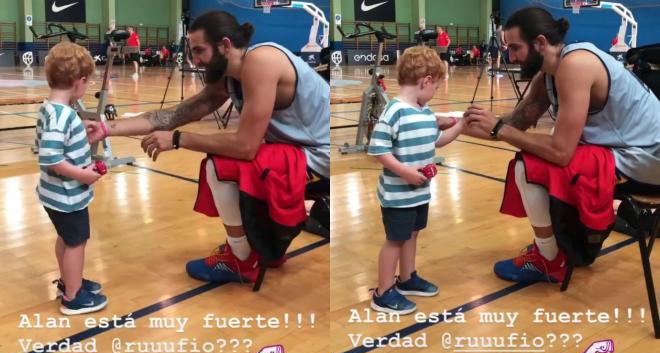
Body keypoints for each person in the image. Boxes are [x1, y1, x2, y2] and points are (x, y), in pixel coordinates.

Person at [86, 11, 330, 284]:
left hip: (320, 155)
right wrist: (106, 129)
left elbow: (246, 146)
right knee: (239, 165)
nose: (195, 59)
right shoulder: (227, 74)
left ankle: (241, 260)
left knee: (221, 166)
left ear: (225, 45)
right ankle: (262, 247)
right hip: (295, 152)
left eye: (200, 51)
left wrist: (179, 140)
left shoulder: (261, 61)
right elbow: (171, 116)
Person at [462, 7, 660, 284]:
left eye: (516, 48)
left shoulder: (576, 65)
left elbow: (560, 152)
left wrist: (499, 128)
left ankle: (549, 259)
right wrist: (458, 126)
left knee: (529, 166)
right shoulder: (549, 73)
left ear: (540, 43)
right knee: (538, 156)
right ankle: (573, 244)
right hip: (626, 154)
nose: (511, 56)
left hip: (649, 161)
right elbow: (515, 123)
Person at [367, 46, 464, 314]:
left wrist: (460, 126)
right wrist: (405, 172)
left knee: (412, 234)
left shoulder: (424, 112)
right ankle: (383, 292)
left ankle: (407, 278)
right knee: (395, 240)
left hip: (419, 193)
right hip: (399, 195)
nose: (435, 93)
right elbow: (378, 150)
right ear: (426, 81)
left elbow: (437, 141)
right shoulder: (395, 111)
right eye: (436, 87)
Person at [37, 42, 108, 315]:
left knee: (67, 238)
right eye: (87, 83)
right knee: (76, 242)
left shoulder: (52, 110)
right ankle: (73, 297)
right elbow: (51, 159)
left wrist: (81, 128)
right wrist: (84, 175)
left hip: (55, 194)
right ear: (79, 82)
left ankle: (70, 281)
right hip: (66, 195)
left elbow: (59, 144)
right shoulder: (62, 116)